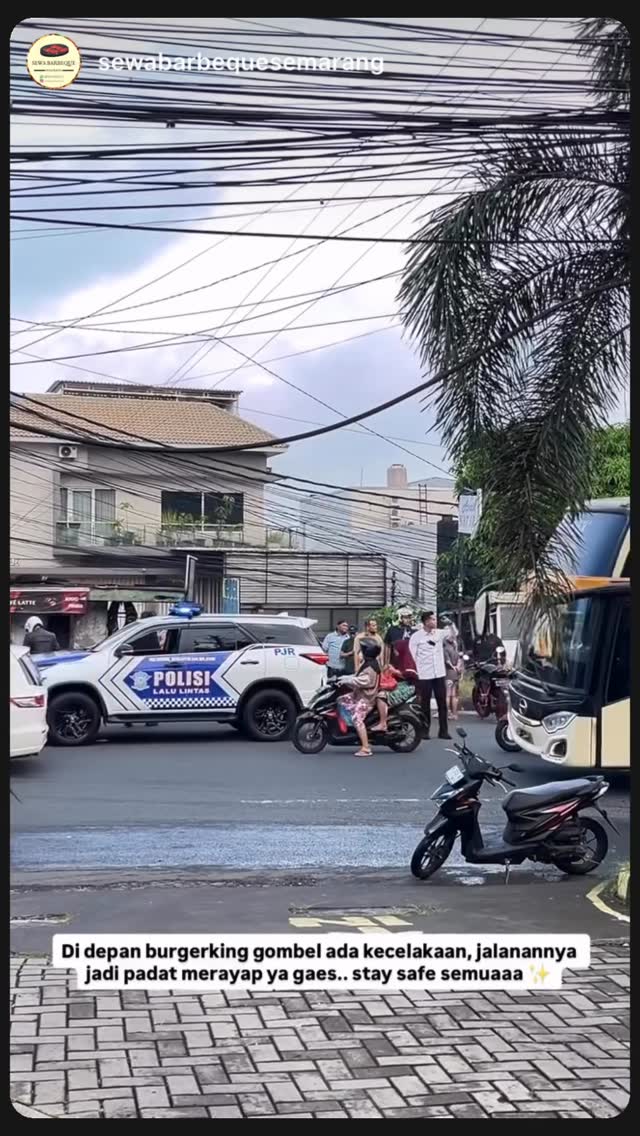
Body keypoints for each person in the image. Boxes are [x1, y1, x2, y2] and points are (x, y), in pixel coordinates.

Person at [409, 611, 457, 740]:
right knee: (425, 704)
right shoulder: (417, 637)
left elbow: (453, 635)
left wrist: (451, 624)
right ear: (426, 622)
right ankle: (425, 731)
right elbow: (413, 655)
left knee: (442, 703)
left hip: (439, 673)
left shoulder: (439, 633)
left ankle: (443, 731)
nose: (435, 622)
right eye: (433, 620)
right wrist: (416, 671)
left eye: (435, 620)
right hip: (425, 674)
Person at [337, 640, 382, 757]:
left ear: (367, 653)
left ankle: (366, 747)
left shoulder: (370, 667)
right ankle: (348, 725)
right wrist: (344, 677)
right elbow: (357, 676)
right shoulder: (367, 663)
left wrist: (347, 680)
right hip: (359, 694)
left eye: (362, 651)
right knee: (340, 699)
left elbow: (362, 681)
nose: (359, 653)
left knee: (357, 718)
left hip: (367, 699)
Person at [444, 634, 463, 721]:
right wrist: (457, 667)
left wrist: (452, 667)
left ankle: (448, 713)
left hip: (448, 673)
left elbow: (447, 661)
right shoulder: (455, 649)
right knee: (454, 695)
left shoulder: (446, 649)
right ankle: (455, 714)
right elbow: (459, 660)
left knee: (448, 695)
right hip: (456, 674)